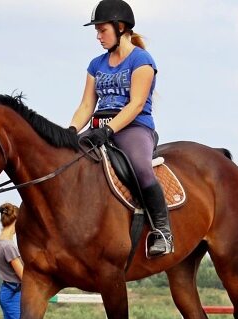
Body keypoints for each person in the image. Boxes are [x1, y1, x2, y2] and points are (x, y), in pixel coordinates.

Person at [69, 0, 173, 256]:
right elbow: (85, 105)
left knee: (140, 167)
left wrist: (109, 130)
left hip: (133, 128)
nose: (98, 36)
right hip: (98, 127)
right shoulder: (96, 64)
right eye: (97, 31)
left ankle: (163, 231)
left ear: (121, 27)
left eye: (102, 30)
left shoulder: (142, 60)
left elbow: (136, 104)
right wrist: (70, 131)